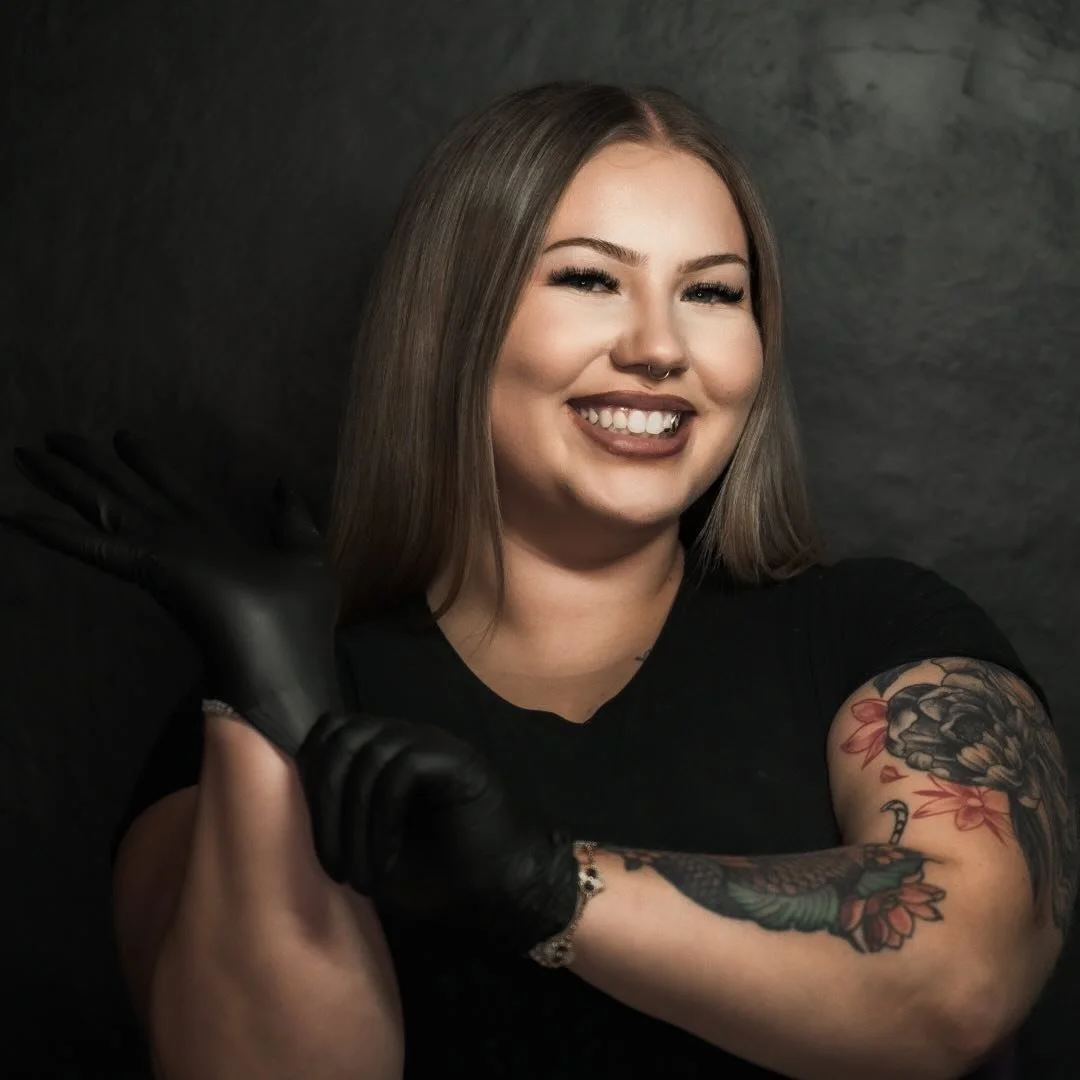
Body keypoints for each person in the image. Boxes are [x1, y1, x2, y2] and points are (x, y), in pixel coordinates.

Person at [8, 81, 1077, 1079]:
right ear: (452, 322)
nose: (659, 348)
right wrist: (269, 708)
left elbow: (958, 985)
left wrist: (537, 883)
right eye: (589, 278)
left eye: (712, 292)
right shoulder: (267, 705)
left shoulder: (882, 634)